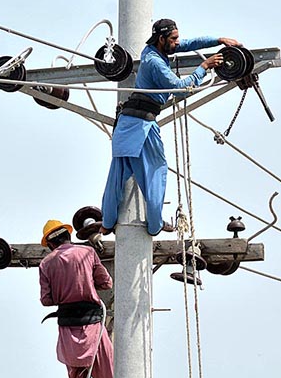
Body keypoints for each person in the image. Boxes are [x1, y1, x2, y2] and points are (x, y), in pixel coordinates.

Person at [101, 18, 241, 235]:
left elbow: (189, 43)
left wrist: (218, 40)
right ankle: (155, 225)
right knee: (156, 173)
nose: (178, 42)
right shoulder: (155, 63)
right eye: (174, 38)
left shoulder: (152, 50)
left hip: (126, 124)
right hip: (143, 126)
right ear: (162, 39)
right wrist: (204, 67)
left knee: (116, 176)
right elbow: (180, 88)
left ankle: (107, 222)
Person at [39, 219, 114, 378]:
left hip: (67, 334)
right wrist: (87, 282)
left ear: (51, 244)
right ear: (68, 236)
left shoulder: (46, 264)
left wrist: (64, 290)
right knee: (112, 377)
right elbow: (106, 283)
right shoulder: (88, 253)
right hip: (93, 329)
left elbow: (46, 299)